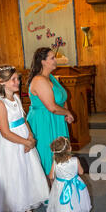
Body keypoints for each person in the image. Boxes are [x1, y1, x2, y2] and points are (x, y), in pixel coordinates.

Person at [0, 65, 49, 212]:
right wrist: (26, 143)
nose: (18, 81)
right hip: (10, 147)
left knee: (27, 175)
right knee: (16, 179)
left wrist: (30, 136)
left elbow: (24, 120)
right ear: (2, 82)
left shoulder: (16, 98)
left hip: (24, 142)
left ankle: (27, 209)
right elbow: (5, 132)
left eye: (18, 78)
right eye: (14, 80)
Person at [27, 47, 74, 178]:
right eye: (52, 58)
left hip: (56, 119)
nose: (55, 60)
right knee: (47, 156)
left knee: (60, 154)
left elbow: (63, 97)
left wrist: (65, 112)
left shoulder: (51, 78)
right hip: (44, 122)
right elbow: (51, 107)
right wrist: (68, 112)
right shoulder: (39, 80)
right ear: (43, 61)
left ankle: (61, 184)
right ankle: (48, 192)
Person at [46, 136, 92, 212]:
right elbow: (81, 172)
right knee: (76, 200)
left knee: (65, 205)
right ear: (70, 149)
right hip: (75, 184)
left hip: (61, 186)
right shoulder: (75, 160)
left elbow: (50, 176)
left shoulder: (55, 163)